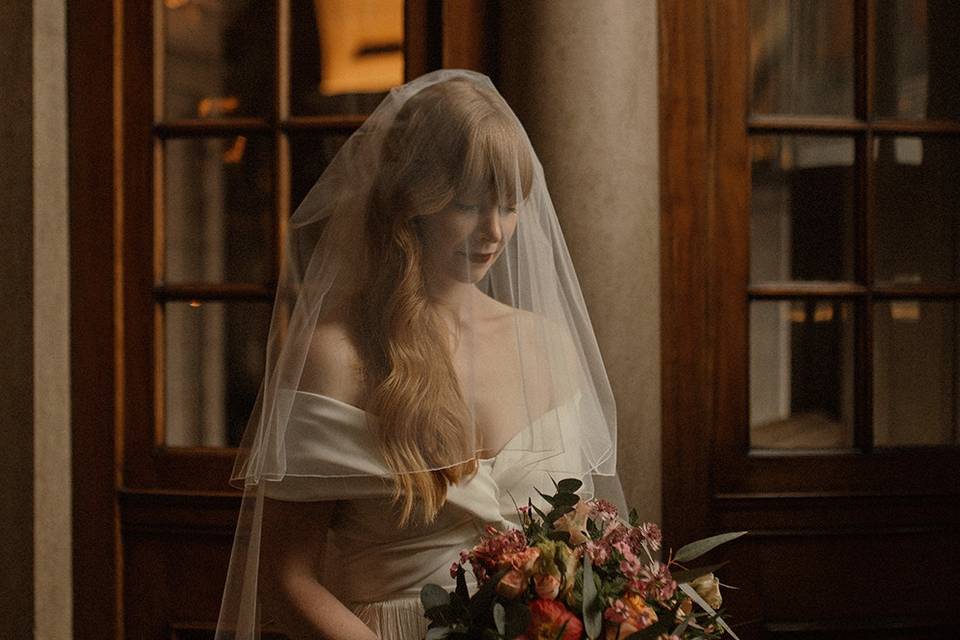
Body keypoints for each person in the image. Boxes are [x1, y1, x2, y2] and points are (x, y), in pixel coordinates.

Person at [215, 69, 624, 640]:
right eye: (466, 203)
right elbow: (286, 581)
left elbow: (584, 552)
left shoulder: (547, 344)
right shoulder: (337, 356)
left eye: (508, 206)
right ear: (411, 201)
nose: (493, 232)